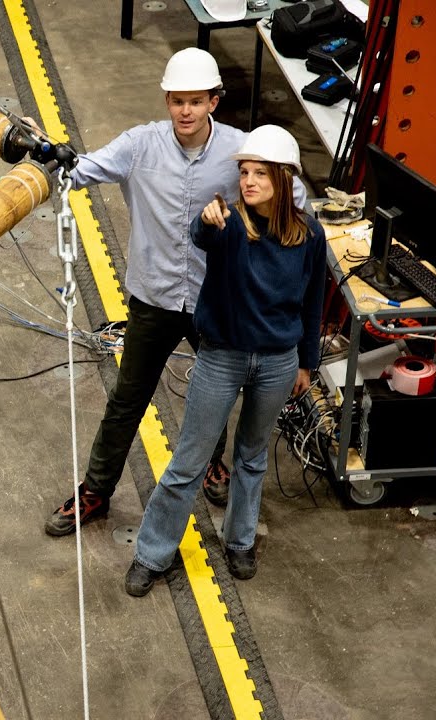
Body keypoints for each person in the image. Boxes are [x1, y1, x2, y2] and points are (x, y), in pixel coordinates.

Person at [43, 48, 307, 537]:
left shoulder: (240, 152)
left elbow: (293, 195)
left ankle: (210, 463)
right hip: (154, 299)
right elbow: (77, 171)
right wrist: (43, 156)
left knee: (217, 395)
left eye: (196, 101)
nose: (186, 111)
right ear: (167, 100)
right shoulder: (139, 146)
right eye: (177, 101)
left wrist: (263, 245)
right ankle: (96, 489)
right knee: (127, 399)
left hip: (216, 301)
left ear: (214, 101)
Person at [124, 125, 327, 597]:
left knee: (252, 458)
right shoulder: (229, 224)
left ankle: (240, 541)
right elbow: (201, 235)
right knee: (189, 461)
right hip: (222, 358)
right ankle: (151, 554)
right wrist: (206, 219)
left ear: (284, 178)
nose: (248, 181)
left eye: (260, 173)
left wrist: (306, 363)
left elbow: (313, 302)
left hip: (277, 362)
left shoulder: (310, 235)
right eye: (244, 172)